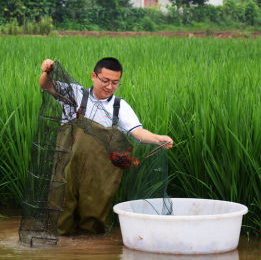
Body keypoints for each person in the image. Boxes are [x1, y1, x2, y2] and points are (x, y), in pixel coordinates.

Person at [39, 57, 173, 235]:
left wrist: (157, 138)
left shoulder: (120, 107)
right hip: (67, 167)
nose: (109, 86)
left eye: (115, 83)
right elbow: (46, 86)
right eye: (105, 80)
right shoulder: (76, 94)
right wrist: (47, 71)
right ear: (94, 76)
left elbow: (138, 132)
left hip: (101, 174)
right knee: (61, 214)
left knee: (93, 221)